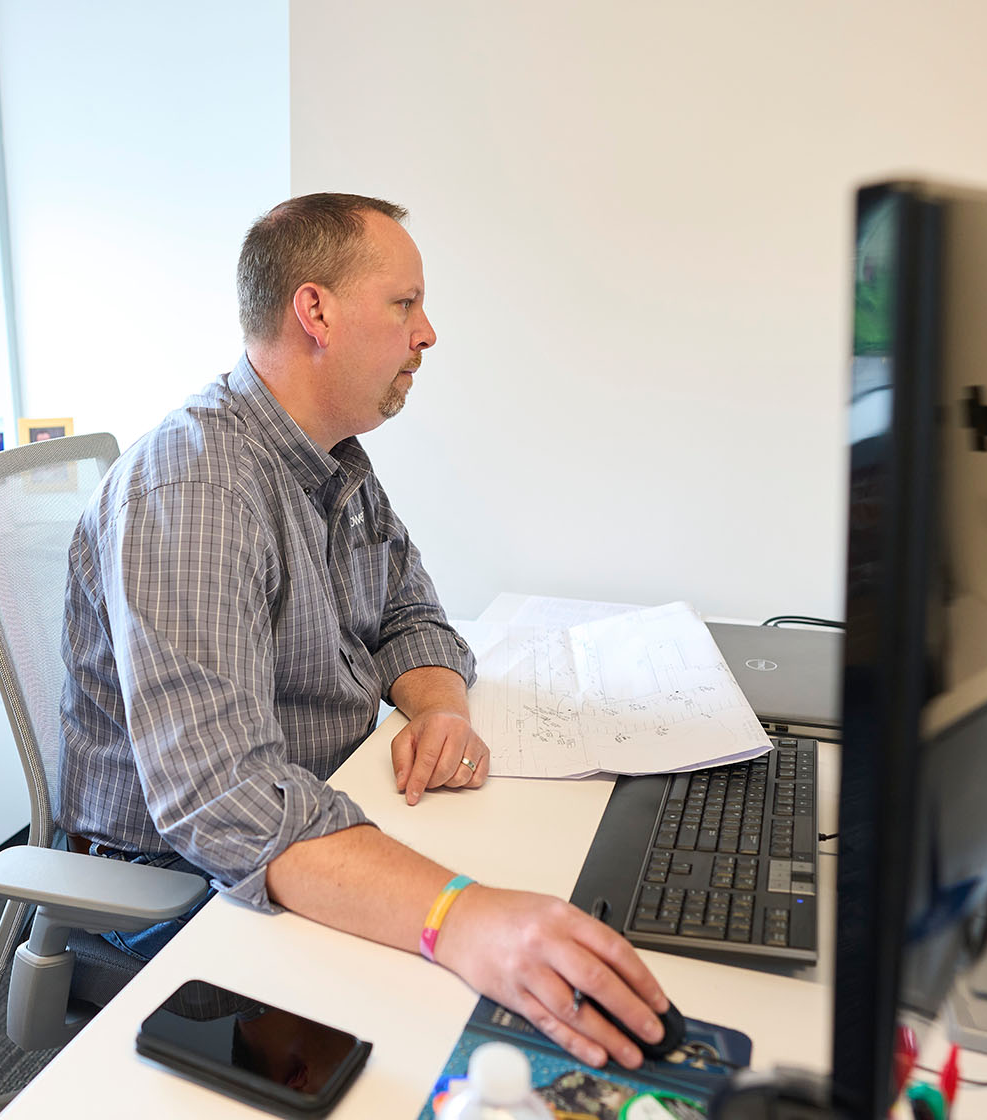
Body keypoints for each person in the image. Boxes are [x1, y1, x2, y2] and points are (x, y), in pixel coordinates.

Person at [60, 193, 671, 1070]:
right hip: (178, 889)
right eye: (405, 304)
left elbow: (412, 613)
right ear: (316, 312)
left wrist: (439, 709)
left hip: (323, 809)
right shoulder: (195, 490)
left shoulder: (333, 455)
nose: (428, 334)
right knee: (465, 1041)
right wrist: (460, 916)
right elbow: (222, 802)